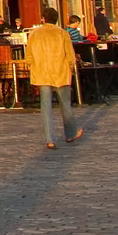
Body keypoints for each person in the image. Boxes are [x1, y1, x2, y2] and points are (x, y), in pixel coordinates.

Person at [25, 8, 83, 150]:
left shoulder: (34, 33)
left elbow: (28, 55)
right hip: (60, 72)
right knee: (65, 104)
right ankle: (70, 133)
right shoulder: (62, 33)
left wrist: (33, 65)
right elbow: (70, 55)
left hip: (41, 72)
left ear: (43, 18)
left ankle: (50, 139)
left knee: (45, 107)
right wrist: (71, 66)